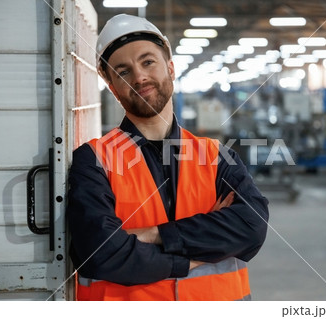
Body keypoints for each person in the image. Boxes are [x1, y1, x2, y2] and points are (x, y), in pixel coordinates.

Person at [67, 14, 269, 301]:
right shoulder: (94, 160)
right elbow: (101, 253)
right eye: (123, 71)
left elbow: (251, 228)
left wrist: (151, 234)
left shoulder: (217, 155)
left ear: (171, 69)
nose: (139, 77)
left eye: (148, 62)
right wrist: (186, 263)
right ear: (113, 88)